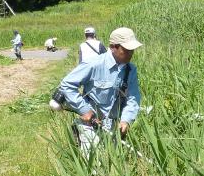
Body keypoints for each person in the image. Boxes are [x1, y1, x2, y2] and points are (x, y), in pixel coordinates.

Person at [59, 27, 142, 157]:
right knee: (95, 167)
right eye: (126, 50)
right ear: (113, 47)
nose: (130, 53)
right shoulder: (94, 64)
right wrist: (83, 110)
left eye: (132, 50)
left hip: (114, 127)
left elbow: (133, 98)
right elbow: (67, 84)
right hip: (90, 125)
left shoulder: (130, 70)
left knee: (113, 165)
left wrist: (126, 120)